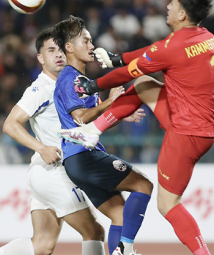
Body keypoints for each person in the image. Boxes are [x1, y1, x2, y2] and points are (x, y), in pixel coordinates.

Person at [59, 0, 214, 255]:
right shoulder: (204, 36)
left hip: (186, 132)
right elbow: (151, 54)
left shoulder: (173, 47)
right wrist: (116, 58)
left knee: (167, 205)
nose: (168, 6)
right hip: (204, 123)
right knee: (145, 85)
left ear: (182, 14)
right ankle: (94, 131)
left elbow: (129, 72)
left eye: (173, 3)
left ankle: (202, 253)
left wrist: (93, 85)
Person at [0, 28, 105, 255]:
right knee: (94, 232)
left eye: (60, 49)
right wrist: (42, 148)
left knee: (42, 245)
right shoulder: (41, 88)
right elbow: (10, 124)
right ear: (40, 58)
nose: (58, 54)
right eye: (50, 50)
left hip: (45, 172)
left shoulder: (69, 83)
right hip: (54, 171)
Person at [52, 16, 153, 255]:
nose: (91, 46)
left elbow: (96, 119)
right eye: (85, 41)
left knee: (119, 215)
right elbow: (81, 118)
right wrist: (110, 101)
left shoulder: (82, 80)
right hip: (83, 157)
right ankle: (125, 250)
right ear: (69, 47)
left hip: (77, 161)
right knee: (143, 185)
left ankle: (120, 250)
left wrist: (119, 113)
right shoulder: (70, 79)